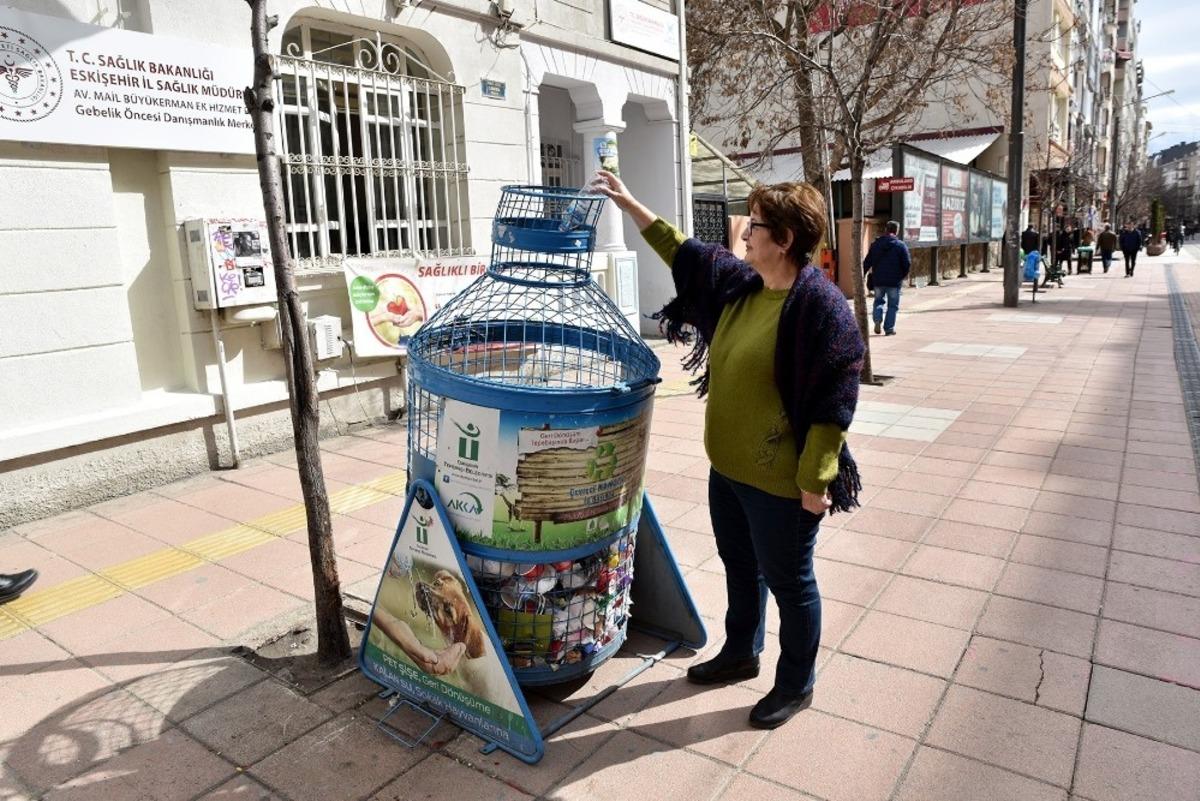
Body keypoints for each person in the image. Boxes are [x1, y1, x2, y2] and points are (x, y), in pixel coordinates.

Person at [590, 169, 864, 730]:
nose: (744, 235)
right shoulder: (744, 285)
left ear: (785, 240)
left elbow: (833, 406)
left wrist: (815, 482)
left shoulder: (821, 309)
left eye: (756, 227)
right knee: (741, 567)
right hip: (730, 471)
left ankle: (795, 684)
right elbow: (685, 251)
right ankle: (741, 651)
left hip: (782, 485)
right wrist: (632, 203)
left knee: (791, 583)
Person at [862, 220, 911, 335]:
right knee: (892, 305)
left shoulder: (876, 244)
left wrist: (863, 274)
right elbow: (907, 263)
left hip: (878, 280)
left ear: (886, 229)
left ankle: (877, 320)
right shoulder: (900, 246)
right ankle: (889, 329)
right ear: (896, 231)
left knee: (878, 301)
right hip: (894, 282)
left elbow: (867, 262)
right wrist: (902, 276)